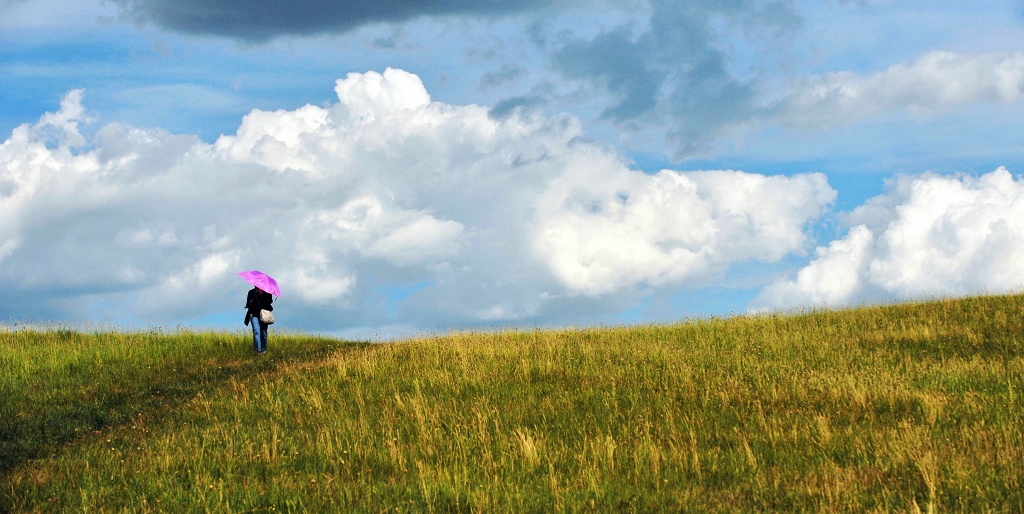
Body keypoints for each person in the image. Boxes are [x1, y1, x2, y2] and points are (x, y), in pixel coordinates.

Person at [244, 286, 273, 353]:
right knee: (256, 331)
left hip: (264, 315)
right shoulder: (251, 292)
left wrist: (261, 294)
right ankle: (258, 350)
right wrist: (250, 302)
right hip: (254, 314)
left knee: (264, 333)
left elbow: (269, 301)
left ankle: (263, 349)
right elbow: (248, 304)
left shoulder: (267, 292)